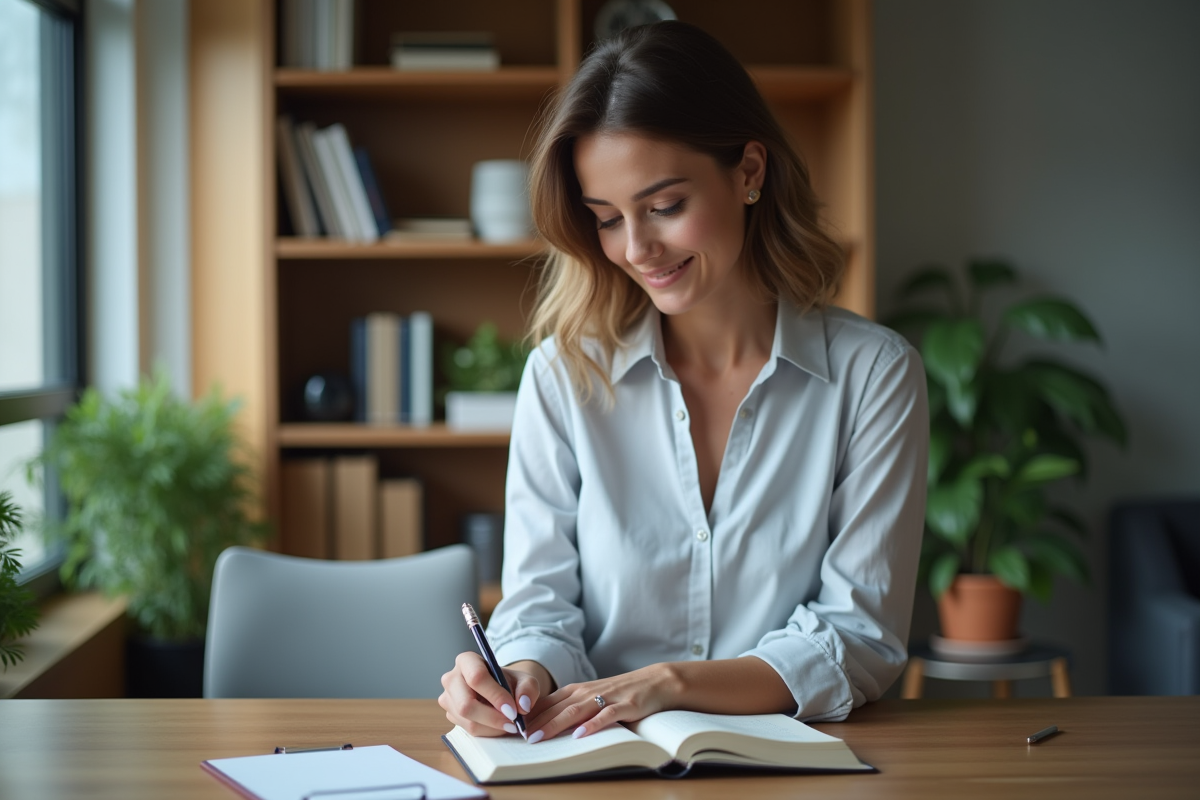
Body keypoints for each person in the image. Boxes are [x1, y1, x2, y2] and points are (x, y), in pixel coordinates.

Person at [438, 20, 928, 744]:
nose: (636, 249)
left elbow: (859, 636)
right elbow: (540, 605)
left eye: (665, 206)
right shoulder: (564, 374)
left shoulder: (874, 376)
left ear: (750, 172)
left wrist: (666, 686)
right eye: (606, 219)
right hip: (598, 766)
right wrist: (522, 675)